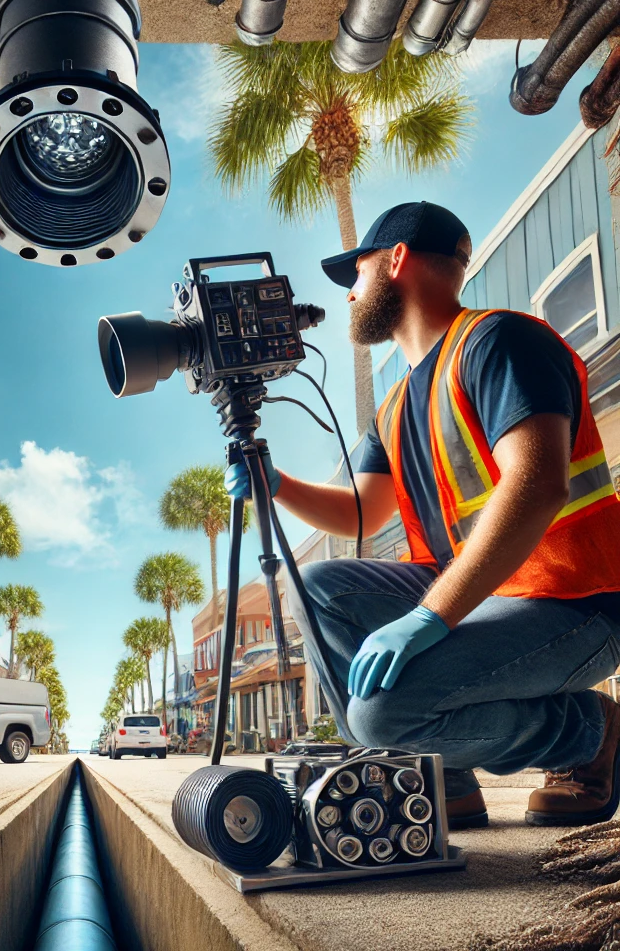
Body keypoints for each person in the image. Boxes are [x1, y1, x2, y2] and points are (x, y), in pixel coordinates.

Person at [226, 202, 620, 830]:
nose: (351, 294)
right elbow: (363, 512)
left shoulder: (497, 341)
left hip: (576, 601)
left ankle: (588, 733)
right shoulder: (397, 404)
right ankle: (449, 780)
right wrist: (276, 484)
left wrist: (428, 617)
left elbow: (538, 482)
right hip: (493, 596)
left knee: (382, 716)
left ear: (397, 260)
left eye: (355, 275)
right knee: (320, 586)